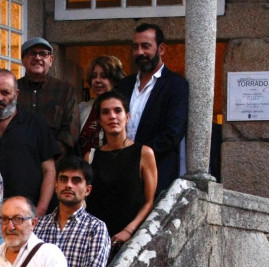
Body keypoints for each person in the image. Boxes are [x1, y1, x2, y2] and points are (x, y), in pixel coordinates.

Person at [116, 22, 189, 192]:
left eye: (146, 46)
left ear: (161, 49)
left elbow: (172, 134)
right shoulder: (124, 85)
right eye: (135, 47)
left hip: (156, 179)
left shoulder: (176, 85)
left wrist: (135, 155)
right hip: (120, 178)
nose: (139, 52)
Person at [35, 156, 111, 267]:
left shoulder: (96, 228)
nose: (68, 185)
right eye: (63, 179)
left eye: (76, 181)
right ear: (56, 186)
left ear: (87, 190)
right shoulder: (38, 226)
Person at [0, 69, 60, 216]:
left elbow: (49, 171)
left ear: (16, 94)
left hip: (29, 215)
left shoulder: (37, 125)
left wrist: (40, 211)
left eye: (5, 93)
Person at [85, 91, 158, 249]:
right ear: (100, 120)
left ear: (128, 116)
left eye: (117, 110)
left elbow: (149, 202)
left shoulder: (144, 153)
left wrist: (128, 231)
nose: (112, 116)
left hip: (131, 240)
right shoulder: (90, 156)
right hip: (96, 240)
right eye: (106, 112)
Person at [16, 37, 77, 156]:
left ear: (51, 60)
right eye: (32, 53)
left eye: (43, 54)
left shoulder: (65, 90)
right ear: (23, 60)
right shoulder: (12, 89)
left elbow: (71, 131)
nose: (37, 58)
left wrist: (49, 158)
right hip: (18, 160)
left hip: (55, 162)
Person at [72, 55, 125, 158]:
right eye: (94, 76)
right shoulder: (82, 108)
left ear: (114, 80)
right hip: (83, 169)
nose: (97, 80)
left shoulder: (122, 110)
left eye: (103, 76)